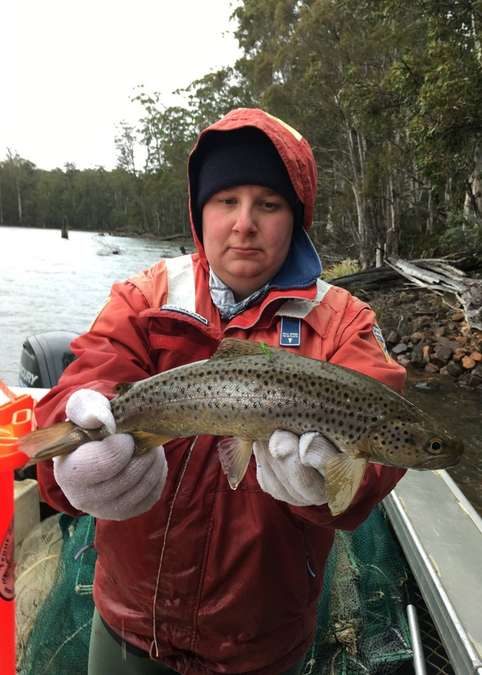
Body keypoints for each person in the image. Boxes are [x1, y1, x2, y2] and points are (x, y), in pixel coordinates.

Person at [35, 108, 406, 675]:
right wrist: (71, 461)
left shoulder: (343, 322)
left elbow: (381, 432)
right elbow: (91, 374)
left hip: (263, 641)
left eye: (269, 204)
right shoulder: (144, 296)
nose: (245, 224)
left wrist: (335, 489)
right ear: (200, 210)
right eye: (227, 200)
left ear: (296, 217)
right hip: (131, 621)